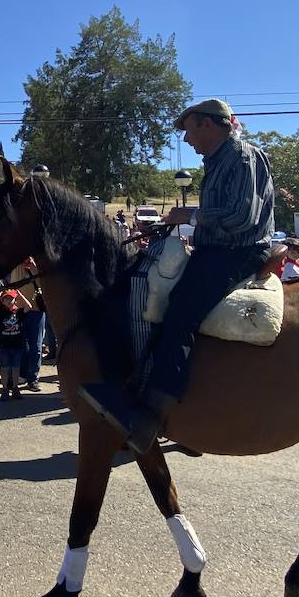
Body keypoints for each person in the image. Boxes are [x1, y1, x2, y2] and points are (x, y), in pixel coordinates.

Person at [81, 97, 275, 453]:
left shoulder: (243, 156)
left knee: (179, 314)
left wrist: (191, 217)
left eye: (188, 132)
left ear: (208, 124)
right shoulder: (218, 161)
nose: (186, 141)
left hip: (239, 251)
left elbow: (241, 217)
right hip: (214, 248)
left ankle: (150, 418)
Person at [0, 288, 31, 399]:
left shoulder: (18, 312)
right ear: (2, 301)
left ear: (15, 299)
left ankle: (15, 387)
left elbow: (29, 307)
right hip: (4, 345)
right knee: (4, 368)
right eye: (6, 299)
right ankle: (5, 388)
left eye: (11, 299)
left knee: (16, 368)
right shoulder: (1, 312)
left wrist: (20, 295)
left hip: (17, 344)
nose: (9, 301)